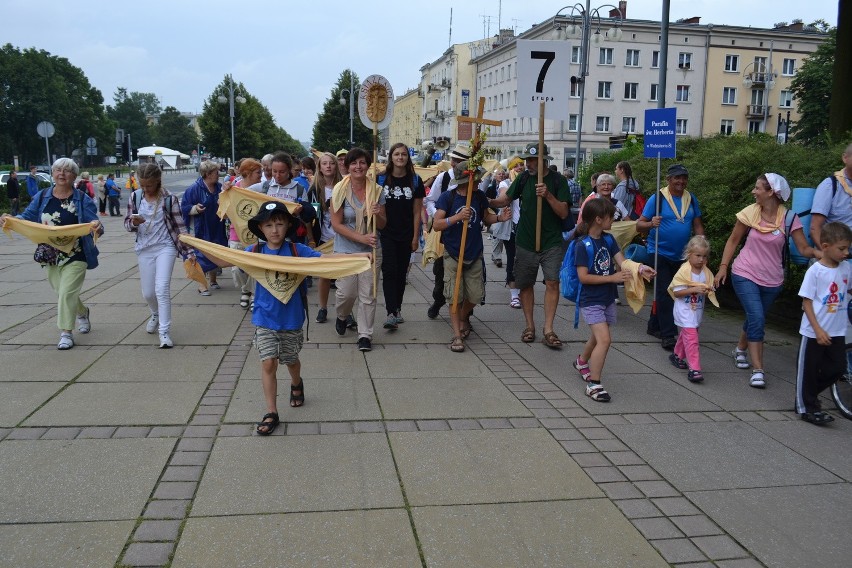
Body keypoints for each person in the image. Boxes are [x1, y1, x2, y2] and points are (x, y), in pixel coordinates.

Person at [714, 173, 819, 388]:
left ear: (771, 192)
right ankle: (758, 370)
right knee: (757, 318)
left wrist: (824, 254)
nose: (753, 192)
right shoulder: (750, 213)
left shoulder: (790, 219)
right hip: (745, 273)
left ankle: (740, 350)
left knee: (755, 317)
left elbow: (803, 249)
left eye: (758, 188)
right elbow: (733, 240)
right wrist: (723, 267)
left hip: (773, 280)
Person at [1, 158, 102, 350]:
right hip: (50, 254)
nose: (62, 174)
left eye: (67, 171)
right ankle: (82, 312)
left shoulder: (82, 198)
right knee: (63, 293)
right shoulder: (42, 196)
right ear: (52, 174)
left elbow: (93, 222)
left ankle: (66, 333)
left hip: (77, 253)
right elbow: (28, 217)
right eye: (58, 170)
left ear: (74, 176)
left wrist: (97, 226)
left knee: (65, 293)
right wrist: (11, 220)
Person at [488, 142, 571, 348]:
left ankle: (548, 329)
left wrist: (548, 195)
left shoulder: (558, 181)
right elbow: (504, 200)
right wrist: (484, 199)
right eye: (527, 160)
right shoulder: (523, 179)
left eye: (533, 160)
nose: (529, 164)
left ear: (544, 161)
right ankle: (530, 326)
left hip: (551, 242)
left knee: (552, 282)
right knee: (525, 283)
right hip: (525, 241)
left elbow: (563, 212)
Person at [571, 198, 654, 402]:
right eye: (611, 217)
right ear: (599, 219)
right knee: (605, 339)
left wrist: (640, 268)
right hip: (590, 299)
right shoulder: (582, 245)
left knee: (599, 336)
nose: (614, 221)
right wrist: (613, 278)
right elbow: (583, 277)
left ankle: (582, 362)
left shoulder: (608, 240)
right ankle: (594, 385)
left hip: (607, 297)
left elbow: (623, 262)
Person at [434, 160, 508, 352]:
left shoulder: (479, 196)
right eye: (475, 180)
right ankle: (457, 335)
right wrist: (456, 218)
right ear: (464, 181)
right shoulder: (447, 198)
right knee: (454, 296)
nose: (478, 183)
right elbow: (437, 224)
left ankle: (462, 317)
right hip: (453, 252)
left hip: (474, 252)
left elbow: (486, 217)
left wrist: (499, 218)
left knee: (475, 295)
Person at [125, 163, 195, 348]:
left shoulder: (169, 199)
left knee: (162, 288)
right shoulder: (135, 196)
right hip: (144, 248)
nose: (146, 188)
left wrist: (189, 252)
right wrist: (134, 223)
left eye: (149, 185)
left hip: (166, 246)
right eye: (142, 184)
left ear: (158, 181)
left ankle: (164, 333)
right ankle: (155, 313)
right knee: (148, 293)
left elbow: (181, 228)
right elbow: (127, 224)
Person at [636, 163, 705, 351]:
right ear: (668, 180)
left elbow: (697, 223)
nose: (681, 181)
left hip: (682, 255)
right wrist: (651, 223)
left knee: (670, 291)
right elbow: (639, 225)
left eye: (684, 178)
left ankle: (654, 324)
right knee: (667, 293)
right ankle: (668, 334)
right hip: (658, 251)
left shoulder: (691, 199)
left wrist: (701, 242)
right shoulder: (657, 198)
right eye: (677, 178)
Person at [795, 221, 852, 425]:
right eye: (842, 248)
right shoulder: (816, 271)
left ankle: (807, 393)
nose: (846, 253)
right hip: (814, 331)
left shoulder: (846, 268)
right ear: (826, 247)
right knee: (808, 369)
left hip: (837, 330)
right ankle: (806, 407)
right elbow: (807, 302)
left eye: (848, 248)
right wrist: (817, 329)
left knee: (837, 368)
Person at [330, 148, 386, 352]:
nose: (358, 167)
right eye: (354, 163)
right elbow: (336, 224)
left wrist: (378, 214)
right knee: (346, 293)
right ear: (347, 166)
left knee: (368, 294)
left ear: (368, 165)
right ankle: (342, 315)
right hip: (346, 249)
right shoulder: (338, 190)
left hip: (371, 250)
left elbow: (382, 225)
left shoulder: (377, 191)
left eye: (362, 162)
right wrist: (361, 237)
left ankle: (365, 334)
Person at [377, 143, 425, 329]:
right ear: (391, 157)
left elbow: (416, 212)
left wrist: (415, 238)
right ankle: (390, 312)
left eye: (403, 154)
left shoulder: (415, 181)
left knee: (400, 273)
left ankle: (397, 308)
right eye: (396, 154)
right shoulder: (381, 179)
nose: (400, 157)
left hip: (406, 234)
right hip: (386, 233)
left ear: (408, 158)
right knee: (389, 271)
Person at [424, 143, 470, 319]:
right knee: (441, 270)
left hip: (465, 232)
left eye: (459, 160)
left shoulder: (473, 179)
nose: (454, 163)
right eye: (453, 159)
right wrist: (438, 216)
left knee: (467, 271)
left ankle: (466, 314)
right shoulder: (443, 178)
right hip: (443, 232)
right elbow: (429, 200)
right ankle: (438, 300)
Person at [668, 235, 717, 383]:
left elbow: (709, 284)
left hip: (696, 310)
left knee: (689, 333)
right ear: (689, 254)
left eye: (704, 256)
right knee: (692, 339)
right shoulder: (684, 271)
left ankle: (677, 355)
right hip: (684, 310)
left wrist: (709, 289)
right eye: (697, 255)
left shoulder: (706, 272)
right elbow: (676, 292)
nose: (701, 259)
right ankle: (694, 369)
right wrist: (693, 289)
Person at [181, 160, 227, 294]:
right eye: (215, 172)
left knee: (216, 252)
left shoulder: (219, 188)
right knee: (200, 255)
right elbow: (184, 207)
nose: (218, 174)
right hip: (200, 227)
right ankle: (202, 284)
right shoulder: (193, 189)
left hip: (217, 226)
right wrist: (194, 208)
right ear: (207, 174)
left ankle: (213, 280)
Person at [307, 152, 342, 323]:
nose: (328, 166)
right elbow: (309, 218)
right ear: (319, 168)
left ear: (336, 166)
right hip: (324, 238)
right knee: (324, 275)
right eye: (324, 163)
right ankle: (322, 307)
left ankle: (345, 312)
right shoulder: (314, 190)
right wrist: (311, 239)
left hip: (343, 239)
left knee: (345, 277)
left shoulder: (344, 186)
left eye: (331, 163)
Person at [227, 158, 263, 309]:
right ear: (247, 173)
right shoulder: (233, 188)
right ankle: (245, 289)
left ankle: (253, 293)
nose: (261, 175)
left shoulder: (262, 189)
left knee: (254, 266)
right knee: (237, 268)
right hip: (236, 234)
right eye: (257, 172)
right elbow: (224, 208)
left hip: (256, 235)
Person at [267, 152, 317, 247]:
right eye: (274, 171)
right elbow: (241, 190)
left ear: (289, 170)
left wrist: (311, 239)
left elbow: (306, 218)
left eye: (282, 172)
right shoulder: (264, 187)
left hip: (292, 241)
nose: (277, 175)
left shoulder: (299, 189)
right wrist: (229, 186)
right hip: (268, 241)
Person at [809, 142, 852, 246]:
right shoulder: (830, 185)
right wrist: (827, 257)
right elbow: (815, 228)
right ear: (845, 158)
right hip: (836, 258)